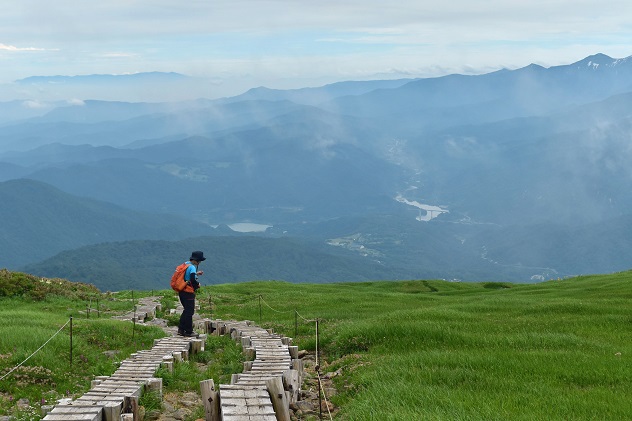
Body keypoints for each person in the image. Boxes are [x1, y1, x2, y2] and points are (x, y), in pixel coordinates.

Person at [177, 250, 205, 337]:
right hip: (188, 292)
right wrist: (197, 285)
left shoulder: (185, 264)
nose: (199, 262)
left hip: (181, 291)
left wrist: (197, 273)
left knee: (186, 311)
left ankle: (181, 330)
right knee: (189, 312)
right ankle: (189, 331)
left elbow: (187, 276)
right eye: (199, 261)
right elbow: (192, 279)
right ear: (196, 260)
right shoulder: (192, 267)